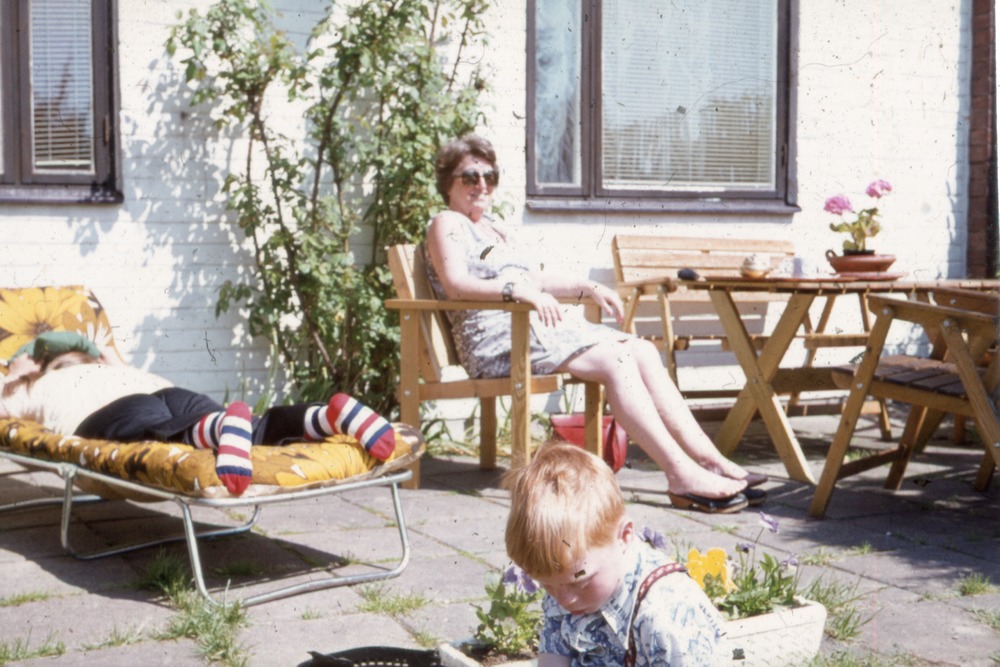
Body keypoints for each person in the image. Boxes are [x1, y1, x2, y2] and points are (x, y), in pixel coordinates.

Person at [424, 133, 765, 513]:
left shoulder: (493, 228)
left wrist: (584, 286)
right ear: (448, 183)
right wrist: (516, 292)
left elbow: (533, 279)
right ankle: (680, 474)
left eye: (490, 176)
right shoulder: (447, 223)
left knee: (641, 349)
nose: (482, 185)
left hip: (527, 328)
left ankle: (711, 461)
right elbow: (456, 284)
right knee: (615, 360)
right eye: (470, 177)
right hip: (497, 339)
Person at [0, 334, 395, 496]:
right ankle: (327, 417)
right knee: (256, 429)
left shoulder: (38, 384)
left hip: (112, 414)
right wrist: (111, 357)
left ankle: (219, 428)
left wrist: (15, 375)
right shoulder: (120, 369)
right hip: (171, 393)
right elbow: (110, 356)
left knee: (156, 435)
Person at [504, 442, 727, 665]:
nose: (564, 600)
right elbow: (553, 657)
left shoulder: (665, 615)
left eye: (581, 583)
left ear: (624, 536)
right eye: (546, 585)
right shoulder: (566, 581)